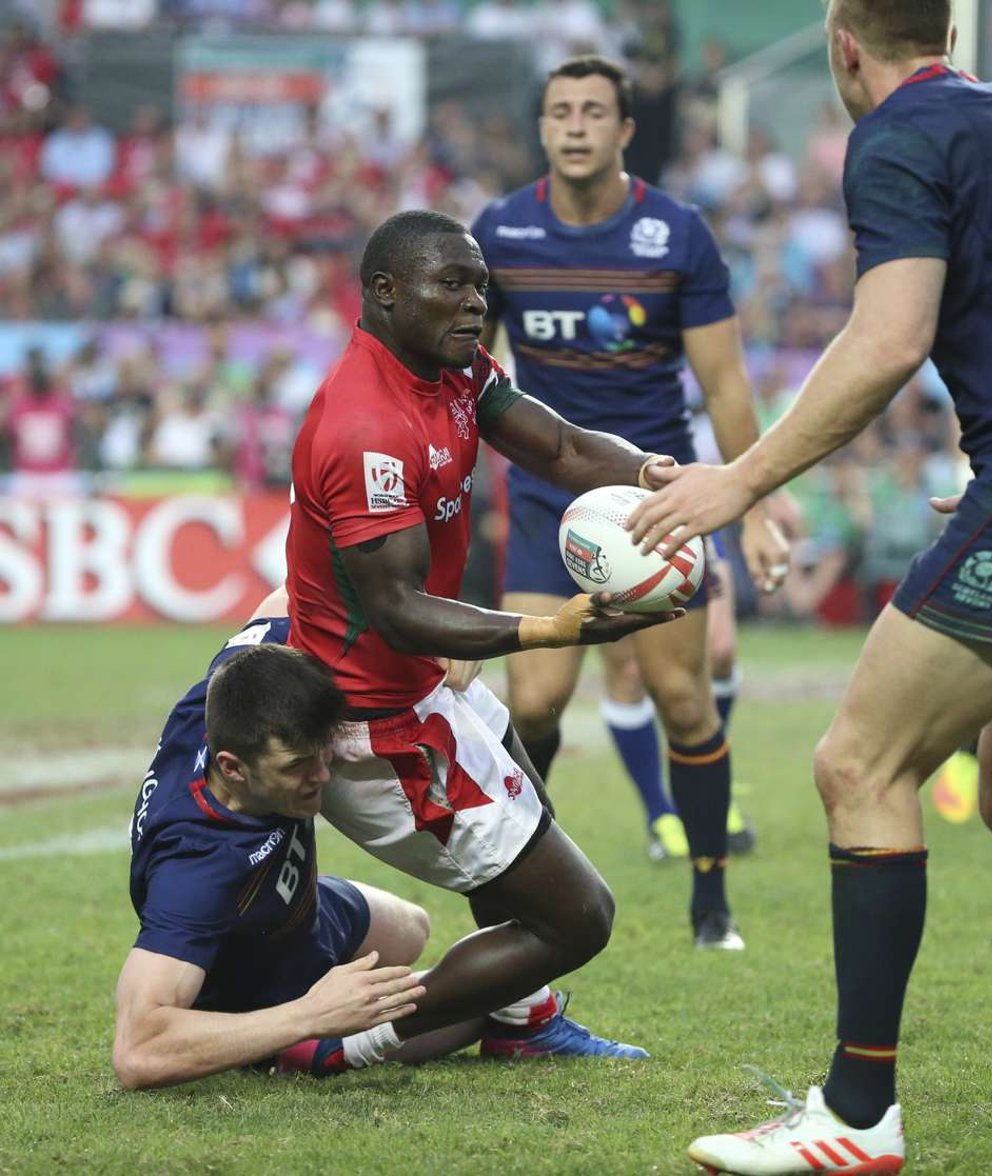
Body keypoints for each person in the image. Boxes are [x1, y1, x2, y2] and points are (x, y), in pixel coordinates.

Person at [626, 2, 992, 1169]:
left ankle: (855, 1117)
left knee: (859, 763)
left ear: (842, 44)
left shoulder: (898, 132)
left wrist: (738, 479)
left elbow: (888, 336)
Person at [286, 206, 687, 1064]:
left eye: (480, 285)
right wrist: (554, 629)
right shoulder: (366, 426)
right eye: (453, 285)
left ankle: (521, 1023)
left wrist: (655, 474)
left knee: (529, 817)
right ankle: (346, 1045)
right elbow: (394, 607)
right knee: (577, 915)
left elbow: (567, 449)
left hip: (424, 678)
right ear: (386, 293)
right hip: (372, 721)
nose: (475, 303)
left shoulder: (453, 368)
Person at [470, 55, 788, 947]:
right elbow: (472, 381)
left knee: (683, 701)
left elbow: (724, 386)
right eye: (559, 111)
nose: (575, 124)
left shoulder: (677, 232)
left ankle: (710, 897)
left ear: (623, 131)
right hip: (544, 499)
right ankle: (525, 885)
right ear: (543, 129)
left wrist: (752, 506)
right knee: (532, 705)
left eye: (593, 111)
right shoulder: (501, 232)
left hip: (661, 497)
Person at [113, 590, 483, 1089]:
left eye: (323, 752)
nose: (322, 775)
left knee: (412, 928)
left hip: (293, 907)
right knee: (479, 1007)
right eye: (298, 766)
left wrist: (443, 626)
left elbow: (300, 592)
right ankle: (294, 1045)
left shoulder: (243, 682)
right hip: (250, 979)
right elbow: (137, 1051)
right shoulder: (196, 870)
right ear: (232, 768)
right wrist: (309, 1014)